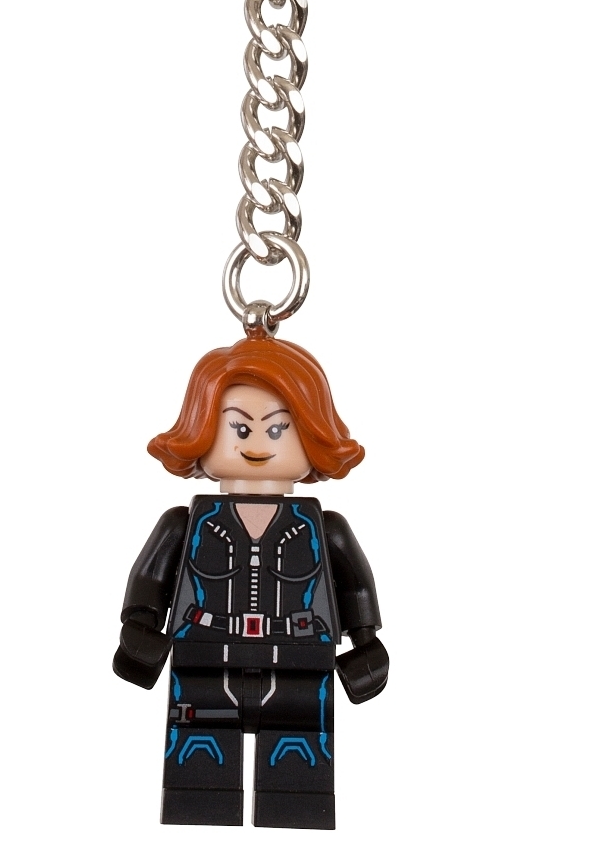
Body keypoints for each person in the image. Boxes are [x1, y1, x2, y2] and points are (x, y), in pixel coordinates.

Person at [114, 334, 388, 830]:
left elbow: (355, 586)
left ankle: (293, 810)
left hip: (301, 662)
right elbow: (149, 579)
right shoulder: (185, 523)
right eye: (239, 428)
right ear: (201, 431)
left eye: (279, 428)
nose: (258, 444)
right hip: (204, 658)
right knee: (198, 762)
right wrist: (139, 626)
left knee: (299, 765)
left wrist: (366, 642)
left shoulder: (325, 529)